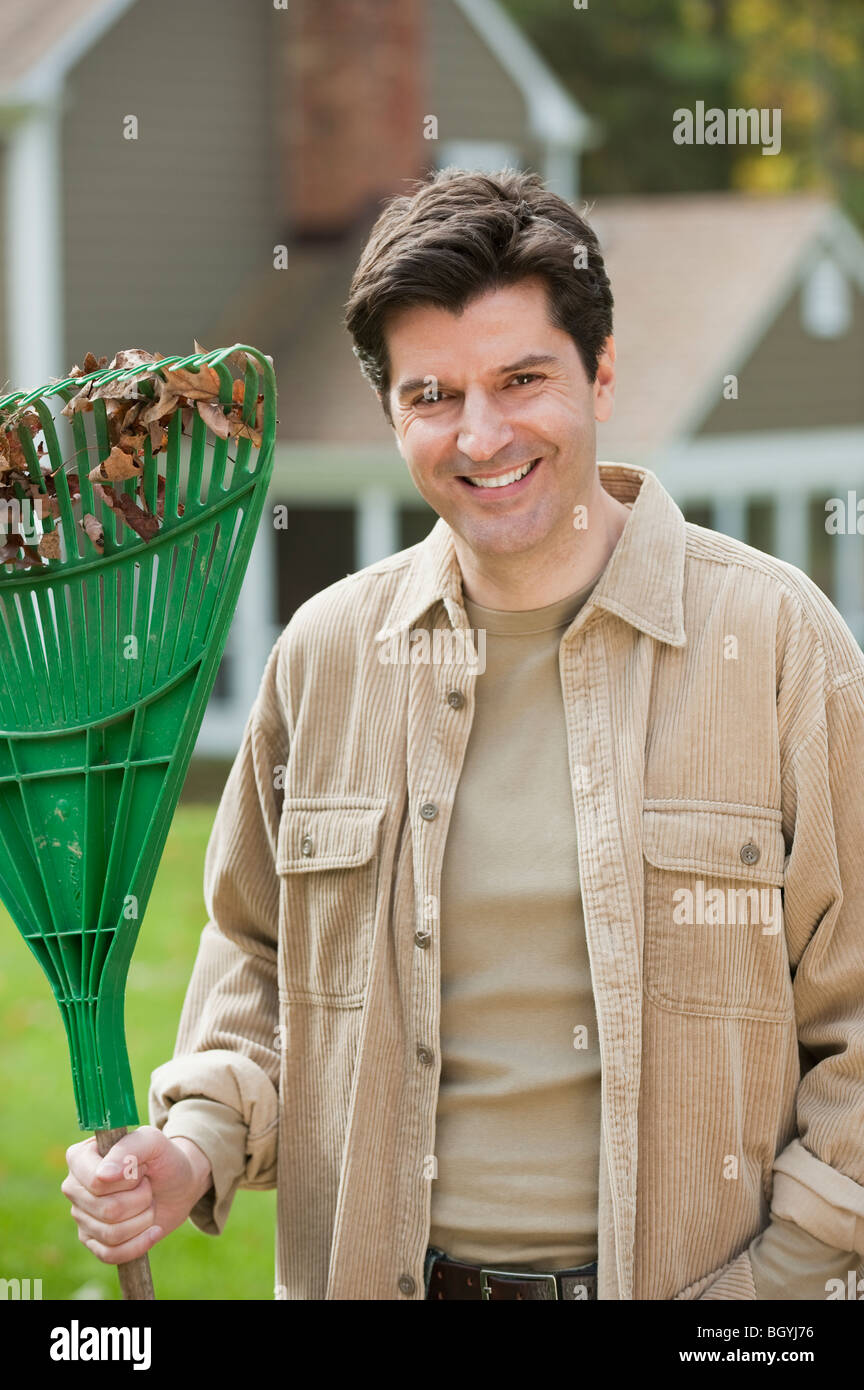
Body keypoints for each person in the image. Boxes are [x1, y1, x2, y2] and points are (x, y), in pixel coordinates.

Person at [63, 167, 864, 1300]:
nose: (480, 435)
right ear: (392, 412)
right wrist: (192, 1141)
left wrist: (764, 1291)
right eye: (432, 395)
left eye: (522, 379)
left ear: (603, 371)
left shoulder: (781, 648)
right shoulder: (326, 656)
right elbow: (255, 960)